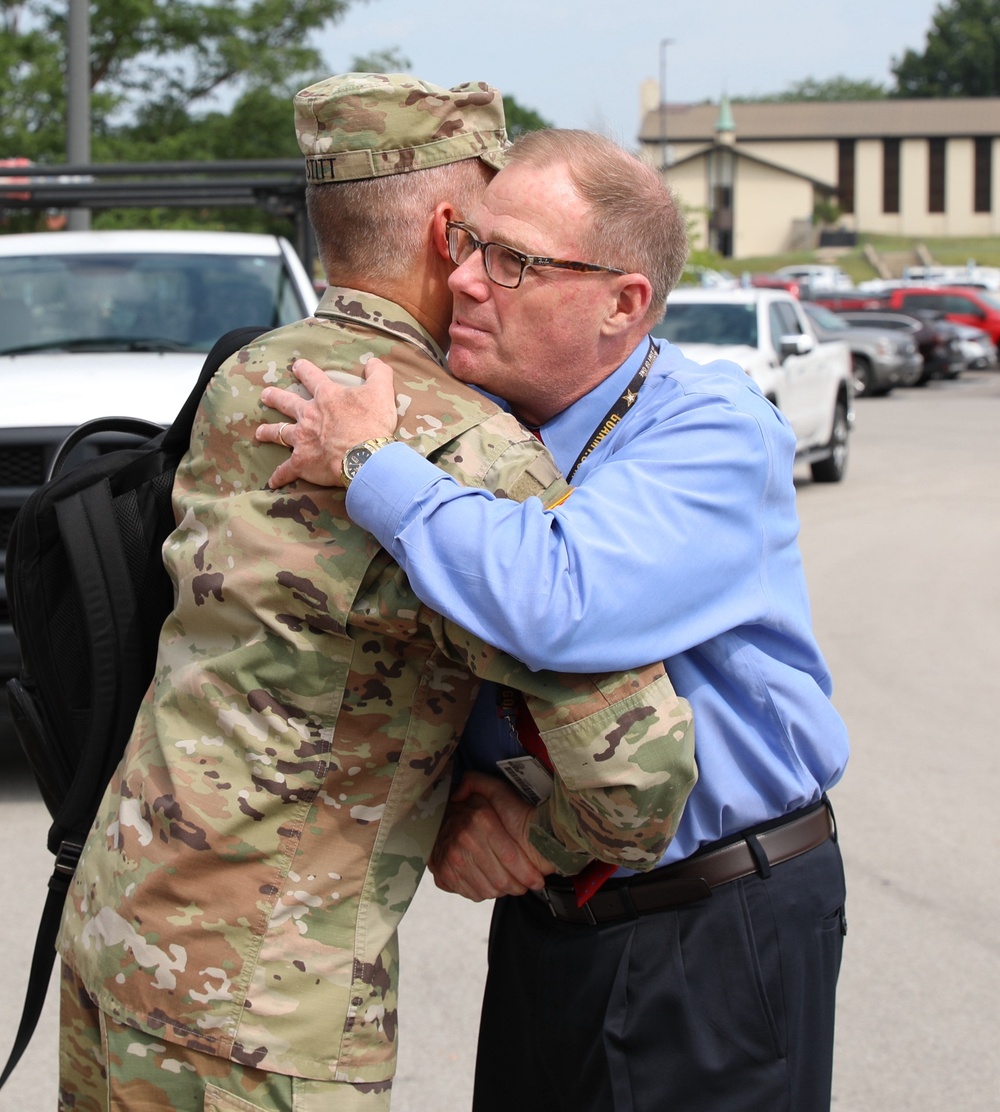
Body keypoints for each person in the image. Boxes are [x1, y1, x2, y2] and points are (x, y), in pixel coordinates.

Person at [54, 82, 697, 1112]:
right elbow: (639, 784)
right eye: (493, 238)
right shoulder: (462, 445)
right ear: (452, 235)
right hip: (265, 1011)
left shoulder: (246, 375)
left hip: (115, 943)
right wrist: (528, 836)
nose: (496, 267)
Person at [256, 127, 849, 1112]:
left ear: (625, 303)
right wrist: (467, 804)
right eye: (468, 245)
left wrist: (373, 467)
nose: (471, 282)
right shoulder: (477, 425)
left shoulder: (710, 426)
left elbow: (558, 604)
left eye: (516, 261)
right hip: (553, 914)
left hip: (708, 922)